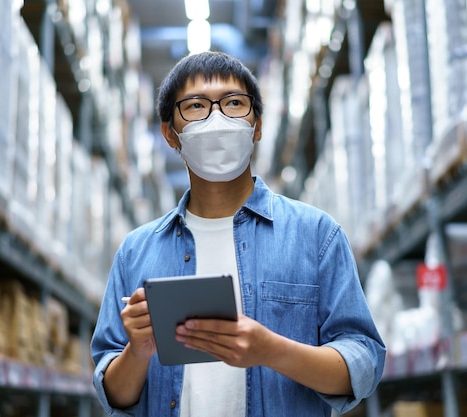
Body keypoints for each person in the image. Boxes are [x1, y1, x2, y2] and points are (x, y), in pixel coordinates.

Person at [90, 51, 385, 417]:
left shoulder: (316, 235)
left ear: (257, 126)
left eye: (233, 103)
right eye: (196, 106)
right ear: (170, 134)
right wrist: (138, 350)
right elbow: (113, 395)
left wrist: (271, 350)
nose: (216, 118)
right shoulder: (136, 252)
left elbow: (364, 365)